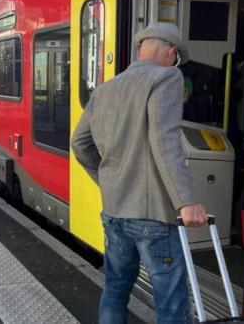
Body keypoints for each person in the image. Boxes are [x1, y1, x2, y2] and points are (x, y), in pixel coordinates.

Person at [71, 22, 208, 324]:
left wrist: (107, 180)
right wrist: (186, 201)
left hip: (115, 212)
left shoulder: (105, 89)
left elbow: (79, 144)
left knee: (116, 289)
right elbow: (164, 141)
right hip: (153, 217)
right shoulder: (167, 77)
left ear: (139, 49)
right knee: (171, 302)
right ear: (171, 53)